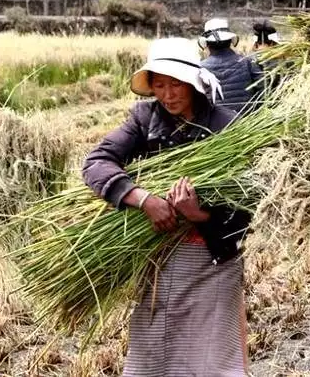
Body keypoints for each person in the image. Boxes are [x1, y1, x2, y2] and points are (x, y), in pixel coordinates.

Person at [82, 37, 252, 377]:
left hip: (212, 261)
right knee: (154, 355)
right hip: (160, 259)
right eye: (159, 85)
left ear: (193, 83)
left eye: (176, 84)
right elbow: (96, 162)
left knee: (211, 359)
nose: (168, 94)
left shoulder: (227, 127)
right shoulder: (144, 119)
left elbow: (246, 208)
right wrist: (144, 199)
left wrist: (198, 214)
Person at [199, 18, 264, 115]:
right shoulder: (247, 62)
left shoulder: (200, 69)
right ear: (230, 42)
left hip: (216, 127)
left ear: (207, 44)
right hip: (249, 121)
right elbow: (264, 90)